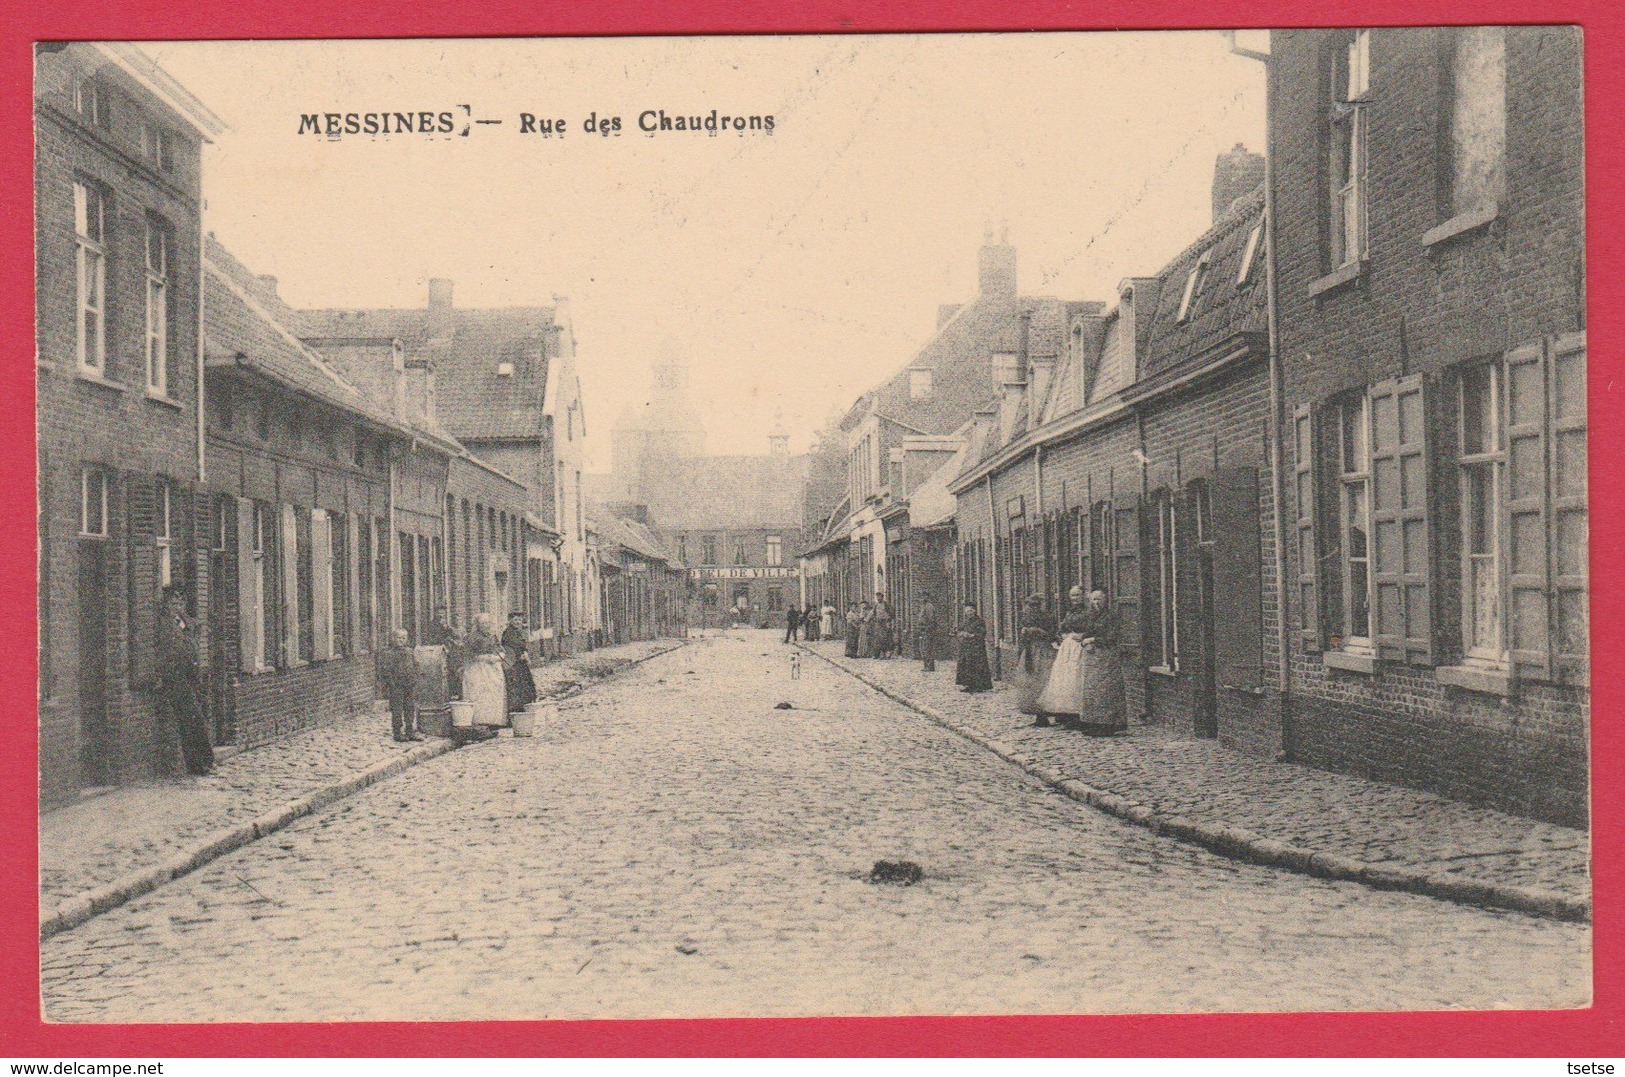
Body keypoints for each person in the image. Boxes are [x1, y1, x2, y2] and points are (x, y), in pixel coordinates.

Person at [157, 590, 215, 774]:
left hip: (191, 677)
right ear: (166, 605)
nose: (177, 607)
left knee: (194, 718)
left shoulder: (185, 622)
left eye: (180, 603)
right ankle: (201, 762)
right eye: (173, 603)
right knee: (192, 719)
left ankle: (200, 763)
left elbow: (195, 635)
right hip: (175, 678)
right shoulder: (163, 624)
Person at [1016, 593, 1059, 725]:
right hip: (1029, 653)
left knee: (1043, 682)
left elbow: (1052, 635)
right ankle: (1037, 714)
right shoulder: (1025, 619)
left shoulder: (1048, 618)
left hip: (1043, 652)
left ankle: (1045, 713)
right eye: (1029, 606)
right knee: (1031, 683)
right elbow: (1022, 638)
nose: (1030, 609)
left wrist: (1038, 631)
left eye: (1033, 606)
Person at [463, 612, 508, 729]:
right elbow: (468, 654)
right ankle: (481, 720)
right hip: (479, 669)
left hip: (493, 668)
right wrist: (484, 658)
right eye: (483, 623)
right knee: (481, 693)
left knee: (494, 692)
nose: (486, 625)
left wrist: (499, 656)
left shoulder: (493, 636)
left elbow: (500, 648)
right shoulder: (472, 637)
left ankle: (494, 720)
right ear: (478, 625)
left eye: (488, 622)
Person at [379, 628, 423, 743]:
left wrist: (415, 677)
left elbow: (416, 665)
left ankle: (410, 731)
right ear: (393, 639)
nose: (401, 640)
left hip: (409, 684)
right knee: (397, 709)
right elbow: (385, 670)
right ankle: (397, 733)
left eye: (404, 638)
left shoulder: (409, 651)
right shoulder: (388, 653)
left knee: (409, 708)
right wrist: (391, 683)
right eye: (399, 637)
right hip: (396, 686)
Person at [954, 603, 994, 693]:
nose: (969, 613)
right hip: (966, 647)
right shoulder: (965, 621)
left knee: (977, 666)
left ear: (975, 611)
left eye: (971, 611)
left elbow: (982, 634)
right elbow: (959, 630)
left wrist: (971, 635)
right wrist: (960, 633)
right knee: (966, 665)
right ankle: (968, 685)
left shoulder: (979, 621)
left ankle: (979, 686)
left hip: (977, 648)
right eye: (967, 611)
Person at [502, 612, 537, 714]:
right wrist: (519, 656)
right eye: (515, 620)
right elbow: (508, 648)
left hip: (521, 663)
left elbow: (522, 645)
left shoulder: (518, 632)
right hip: (513, 664)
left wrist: (525, 653)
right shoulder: (507, 633)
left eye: (519, 620)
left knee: (525, 684)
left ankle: (524, 707)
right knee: (516, 685)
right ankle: (516, 710)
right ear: (510, 621)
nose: (518, 622)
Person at [427, 605, 464, 701]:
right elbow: (432, 638)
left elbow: (451, 635)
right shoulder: (432, 625)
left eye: (443, 613)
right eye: (439, 613)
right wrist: (445, 641)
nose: (441, 615)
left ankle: (451, 693)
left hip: (449, 651)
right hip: (437, 651)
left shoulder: (446, 625)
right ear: (435, 613)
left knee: (451, 671)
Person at [915, 596, 941, 672]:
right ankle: (926, 666)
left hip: (928, 630)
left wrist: (927, 628)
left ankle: (930, 666)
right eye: (920, 597)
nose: (921, 599)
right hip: (923, 630)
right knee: (923, 648)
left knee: (927, 648)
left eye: (922, 597)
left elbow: (931, 619)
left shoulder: (929, 606)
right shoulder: (923, 606)